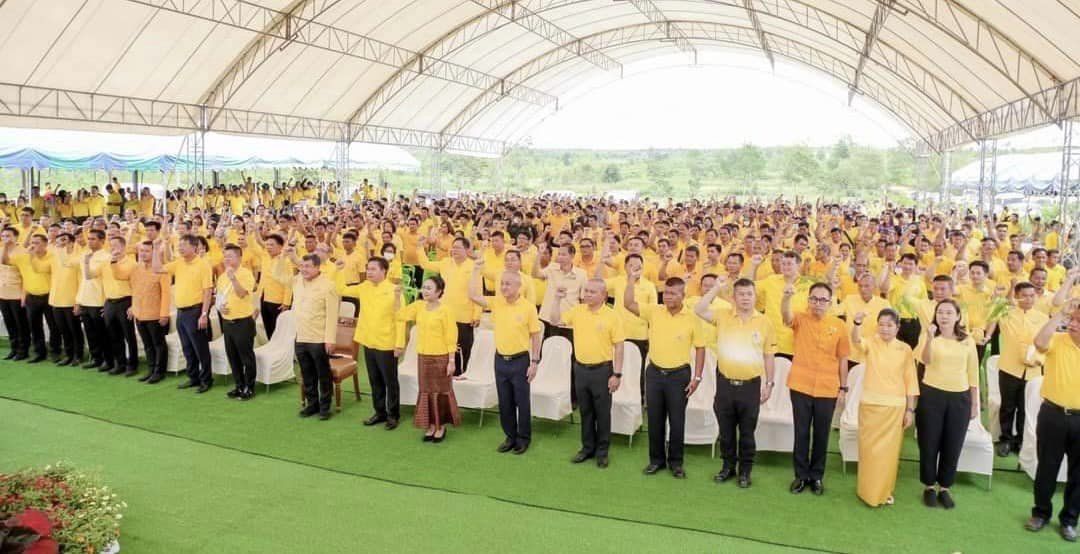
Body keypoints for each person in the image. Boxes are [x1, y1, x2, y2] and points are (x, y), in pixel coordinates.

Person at [624, 271, 706, 479]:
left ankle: (676, 463)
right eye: (666, 293)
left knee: (677, 421)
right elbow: (629, 304)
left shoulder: (692, 318)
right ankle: (656, 460)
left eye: (673, 293)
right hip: (654, 373)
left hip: (679, 375)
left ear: (683, 295)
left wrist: (697, 377)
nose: (668, 297)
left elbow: (700, 348)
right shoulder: (654, 311)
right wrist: (631, 281)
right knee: (655, 419)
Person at [695, 277, 776, 488]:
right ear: (733, 297)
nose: (746, 298)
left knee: (748, 432)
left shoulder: (765, 322)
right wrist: (715, 288)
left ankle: (745, 471)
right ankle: (727, 467)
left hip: (751, 385)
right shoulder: (722, 316)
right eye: (741, 294)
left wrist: (769, 384)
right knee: (726, 430)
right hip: (725, 385)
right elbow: (700, 309)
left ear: (755, 296)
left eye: (750, 294)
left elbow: (769, 355)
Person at [469, 255, 542, 455]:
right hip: (500, 359)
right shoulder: (497, 302)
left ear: (519, 286)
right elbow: (474, 295)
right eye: (502, 283)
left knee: (522, 401)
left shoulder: (528, 307)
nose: (503, 287)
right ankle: (510, 436)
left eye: (508, 284)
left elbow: (536, 336)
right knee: (505, 401)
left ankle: (523, 438)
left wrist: (534, 361)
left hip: (520, 360)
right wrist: (476, 270)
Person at [782, 282, 850, 495]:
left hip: (827, 388)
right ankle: (801, 476)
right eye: (814, 299)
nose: (818, 303)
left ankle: (817, 476)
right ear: (808, 300)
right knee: (801, 432)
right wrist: (786, 298)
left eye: (823, 300)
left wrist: (844, 387)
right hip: (800, 385)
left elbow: (843, 358)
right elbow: (786, 316)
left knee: (822, 434)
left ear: (830, 302)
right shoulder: (800, 319)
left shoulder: (839, 325)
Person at [551, 278, 625, 468]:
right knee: (585, 411)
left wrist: (617, 374)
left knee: (602, 413)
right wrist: (557, 300)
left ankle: (602, 451)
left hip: (602, 370)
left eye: (593, 292)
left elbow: (619, 347)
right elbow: (555, 320)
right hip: (580, 369)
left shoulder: (612, 316)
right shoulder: (578, 310)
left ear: (604, 295)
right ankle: (587, 448)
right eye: (587, 291)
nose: (588, 295)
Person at [849, 308, 918, 507]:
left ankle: (885, 492)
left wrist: (910, 410)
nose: (885, 329)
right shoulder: (871, 342)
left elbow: (910, 381)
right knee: (868, 451)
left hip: (895, 408)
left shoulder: (905, 350)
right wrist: (857, 324)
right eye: (881, 324)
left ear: (897, 327)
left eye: (889, 325)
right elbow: (856, 340)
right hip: (870, 405)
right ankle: (867, 491)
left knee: (889, 454)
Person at [915, 299, 979, 509]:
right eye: (940, 312)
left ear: (958, 316)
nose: (944, 316)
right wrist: (930, 339)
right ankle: (929, 486)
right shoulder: (929, 336)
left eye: (949, 312)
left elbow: (973, 373)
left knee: (952, 444)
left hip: (959, 398)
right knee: (929, 442)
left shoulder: (968, 341)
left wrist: (974, 403)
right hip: (932, 395)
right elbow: (925, 361)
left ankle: (945, 487)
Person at [1028, 301, 1080, 542]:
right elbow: (1038, 342)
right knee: (1047, 468)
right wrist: (1060, 314)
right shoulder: (1058, 340)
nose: (1074, 325)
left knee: (1078, 475)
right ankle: (1040, 513)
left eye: (1079, 321)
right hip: (1053, 414)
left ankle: (1069, 520)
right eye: (1073, 319)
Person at [337, 257, 402, 429]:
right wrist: (338, 270)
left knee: (390, 381)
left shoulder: (394, 290)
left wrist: (399, 344)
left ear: (384, 271)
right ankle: (379, 412)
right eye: (368, 269)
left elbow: (400, 319)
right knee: (374, 380)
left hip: (387, 342)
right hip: (368, 340)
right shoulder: (364, 287)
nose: (369, 272)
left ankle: (393, 415)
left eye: (373, 269)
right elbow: (341, 289)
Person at [987, 282, 1049, 457]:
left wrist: (1039, 360)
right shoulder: (1006, 314)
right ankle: (1005, 439)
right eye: (1025, 295)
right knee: (1007, 405)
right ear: (1016, 296)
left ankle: (1021, 440)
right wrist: (1000, 294)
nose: (1029, 299)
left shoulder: (1043, 317)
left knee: (1026, 407)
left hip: (1034, 370)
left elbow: (1047, 343)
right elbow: (993, 312)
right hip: (1009, 368)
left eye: (1032, 295)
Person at [397, 275, 461, 443]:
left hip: (441, 358)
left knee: (440, 393)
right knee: (426, 391)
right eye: (423, 287)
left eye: (429, 288)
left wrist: (451, 361)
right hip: (423, 357)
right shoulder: (418, 306)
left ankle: (441, 427)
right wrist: (397, 296)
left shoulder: (446, 310)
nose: (425, 291)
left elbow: (451, 337)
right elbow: (400, 315)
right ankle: (430, 425)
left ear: (439, 292)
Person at [154, 235, 214, 393]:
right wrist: (155, 249)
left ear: (194, 247)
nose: (180, 248)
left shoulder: (203, 265)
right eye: (179, 245)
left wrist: (204, 314)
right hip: (181, 312)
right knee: (187, 347)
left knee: (200, 348)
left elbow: (208, 291)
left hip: (195, 310)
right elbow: (157, 269)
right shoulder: (178, 263)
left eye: (184, 245)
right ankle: (193, 377)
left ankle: (206, 379)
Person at [417, 236, 478, 374]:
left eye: (458, 247)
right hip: (444, 314)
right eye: (453, 247)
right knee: (444, 347)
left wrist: (477, 314)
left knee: (462, 349)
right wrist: (420, 248)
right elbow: (426, 264)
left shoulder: (473, 267)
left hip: (464, 316)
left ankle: (461, 375)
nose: (454, 250)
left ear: (467, 250)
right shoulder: (445, 262)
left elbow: (477, 290)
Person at [291, 254, 340, 420]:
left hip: (319, 338)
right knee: (307, 373)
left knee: (323, 374)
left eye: (308, 266)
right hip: (301, 335)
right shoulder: (297, 281)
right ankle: (312, 404)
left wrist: (330, 339)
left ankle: (325, 406)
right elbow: (278, 276)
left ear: (318, 267)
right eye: (302, 266)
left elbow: (332, 315)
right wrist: (286, 255)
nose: (304, 269)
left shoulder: (328, 285)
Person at [3, 234, 54, 363]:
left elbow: (39, 269)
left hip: (49, 296)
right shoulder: (23, 257)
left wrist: (32, 257)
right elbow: (4, 261)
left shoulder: (52, 257)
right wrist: (5, 246)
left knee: (53, 326)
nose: (33, 245)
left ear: (45, 244)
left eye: (37, 243)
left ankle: (55, 351)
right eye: (32, 242)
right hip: (31, 297)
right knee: (35, 327)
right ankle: (39, 352)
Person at [217, 244, 258, 400]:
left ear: (239, 257)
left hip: (243, 322)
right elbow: (220, 297)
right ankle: (239, 385)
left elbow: (241, 294)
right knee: (232, 356)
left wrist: (233, 277)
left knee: (246, 356)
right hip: (227, 322)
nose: (226, 259)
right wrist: (220, 308)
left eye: (230, 256)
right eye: (225, 256)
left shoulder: (246, 274)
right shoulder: (221, 277)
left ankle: (249, 387)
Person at [127, 241, 170, 384]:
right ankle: (151, 369)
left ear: (154, 252)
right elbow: (135, 290)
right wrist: (133, 307)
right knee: (147, 344)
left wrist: (164, 314)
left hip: (155, 314)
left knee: (158, 344)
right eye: (141, 251)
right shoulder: (136, 269)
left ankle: (159, 371)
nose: (143, 253)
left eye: (146, 251)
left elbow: (166, 294)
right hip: (140, 313)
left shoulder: (161, 270)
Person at [73, 229, 112, 371]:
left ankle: (108, 361)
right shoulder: (85, 255)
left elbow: (91, 276)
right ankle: (96, 358)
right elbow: (82, 280)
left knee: (102, 334)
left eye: (93, 239)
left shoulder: (106, 257)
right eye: (88, 238)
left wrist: (106, 302)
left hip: (98, 300)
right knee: (90, 333)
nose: (90, 241)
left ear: (102, 241)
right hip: (85, 299)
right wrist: (78, 300)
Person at [102, 236, 139, 376]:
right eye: (111, 245)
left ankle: (132, 365)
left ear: (123, 247)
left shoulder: (131, 263)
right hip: (110, 301)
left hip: (125, 301)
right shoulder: (107, 262)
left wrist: (134, 304)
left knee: (128, 335)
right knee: (113, 335)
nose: (113, 248)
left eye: (116, 245)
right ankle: (120, 363)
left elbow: (126, 280)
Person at [48, 232, 83, 366]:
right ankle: (68, 355)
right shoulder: (54, 256)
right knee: (63, 330)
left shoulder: (77, 258)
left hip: (71, 300)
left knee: (74, 330)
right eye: (59, 241)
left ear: (72, 242)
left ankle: (78, 355)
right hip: (56, 300)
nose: (61, 243)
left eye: (64, 240)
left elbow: (81, 281)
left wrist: (78, 302)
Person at [0, 228, 30, 361]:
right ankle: (14, 348)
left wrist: (24, 296)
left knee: (20, 323)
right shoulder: (1, 250)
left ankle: (23, 350)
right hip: (3, 293)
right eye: (4, 236)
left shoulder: (23, 252)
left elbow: (26, 277)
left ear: (16, 237)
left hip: (17, 293)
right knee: (9, 322)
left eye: (9, 236)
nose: (6, 238)